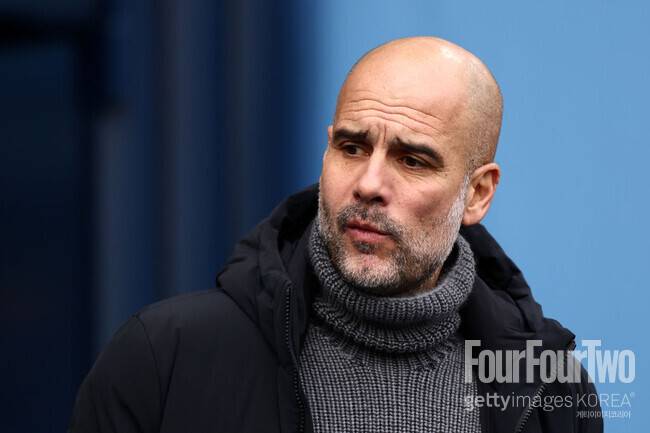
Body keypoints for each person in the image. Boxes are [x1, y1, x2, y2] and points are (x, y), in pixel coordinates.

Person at [69, 37, 602, 433]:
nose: (368, 184)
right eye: (351, 148)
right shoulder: (165, 357)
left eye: (412, 160)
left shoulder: (551, 388)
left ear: (478, 194)